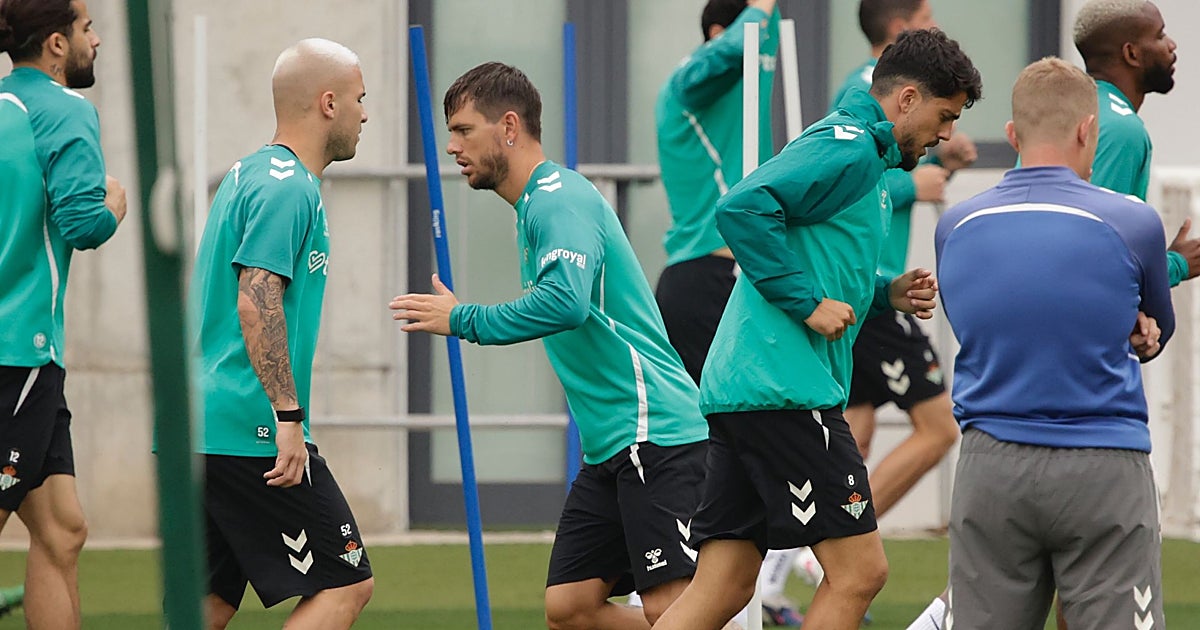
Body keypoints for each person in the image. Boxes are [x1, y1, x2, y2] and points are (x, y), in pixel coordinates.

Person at [652, 29, 981, 630]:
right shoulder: (851, 146)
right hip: (786, 389)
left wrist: (885, 293)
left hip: (748, 390)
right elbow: (741, 209)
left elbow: (822, 252)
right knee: (860, 573)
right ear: (906, 98)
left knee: (720, 588)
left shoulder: (867, 157)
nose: (945, 136)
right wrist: (805, 305)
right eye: (944, 117)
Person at [390, 62, 711, 630]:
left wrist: (462, 318)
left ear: (509, 127)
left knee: (670, 608)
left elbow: (566, 302)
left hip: (651, 430)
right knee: (571, 608)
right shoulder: (532, 207)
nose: (451, 146)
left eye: (464, 130)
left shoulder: (555, 200)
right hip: (609, 443)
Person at [935, 56, 1172, 629]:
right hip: (1103, 465)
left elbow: (984, 319)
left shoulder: (956, 223)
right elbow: (1156, 334)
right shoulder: (1134, 223)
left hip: (990, 464)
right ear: (1088, 131)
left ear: (1012, 135)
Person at [189, 38, 373, 629]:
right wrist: (288, 417)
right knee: (347, 583)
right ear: (327, 104)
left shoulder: (247, 172)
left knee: (210, 603)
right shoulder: (288, 186)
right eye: (358, 99)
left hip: (202, 422)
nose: (364, 114)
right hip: (252, 427)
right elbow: (256, 298)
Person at [652, 1, 803, 625]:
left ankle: (749, 579)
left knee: (733, 444)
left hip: (734, 279)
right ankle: (665, 578)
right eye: (752, 38)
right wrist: (759, 11)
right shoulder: (688, 86)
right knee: (702, 446)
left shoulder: (741, 104)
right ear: (722, 32)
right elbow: (736, 43)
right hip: (703, 281)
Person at [830, 4, 974, 626]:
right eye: (923, 10)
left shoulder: (894, 99)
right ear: (901, 21)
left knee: (854, 434)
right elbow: (844, 177)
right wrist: (922, 184)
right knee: (939, 427)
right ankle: (826, 554)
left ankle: (794, 569)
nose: (934, 16)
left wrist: (941, 156)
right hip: (871, 289)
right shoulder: (866, 92)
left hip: (872, 287)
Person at [0, 1, 126, 627]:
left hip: (29, 357)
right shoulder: (66, 109)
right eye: (86, 29)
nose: (95, 40)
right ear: (55, 44)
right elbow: (83, 222)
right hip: (17, 350)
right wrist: (116, 203)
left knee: (62, 531)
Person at [1074, 0, 1200, 286]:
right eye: (1159, 35)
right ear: (1131, 53)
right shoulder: (1121, 130)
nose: (1172, 45)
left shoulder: (1069, 107)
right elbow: (1095, 255)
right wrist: (1176, 265)